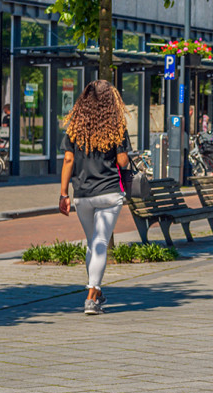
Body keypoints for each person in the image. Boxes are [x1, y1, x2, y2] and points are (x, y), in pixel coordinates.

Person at [56, 81, 132, 316]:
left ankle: (96, 292)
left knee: (93, 243)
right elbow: (122, 162)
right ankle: (92, 295)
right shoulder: (116, 126)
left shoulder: (75, 127)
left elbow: (68, 161)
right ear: (112, 101)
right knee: (100, 242)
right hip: (109, 192)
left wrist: (63, 194)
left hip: (83, 194)